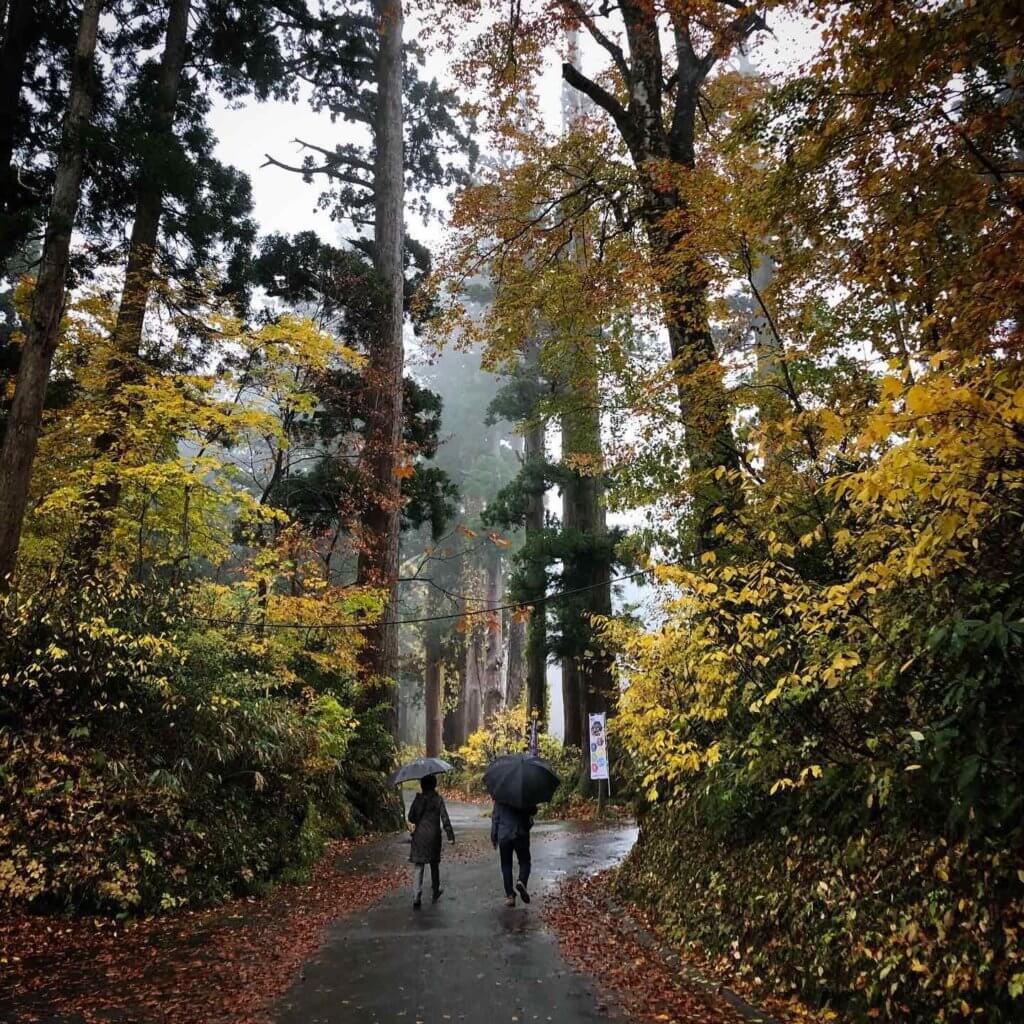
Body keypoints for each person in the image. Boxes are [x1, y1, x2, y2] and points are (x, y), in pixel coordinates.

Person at [408, 774, 455, 909]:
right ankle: (435, 889)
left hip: (420, 836)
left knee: (419, 865)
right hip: (434, 836)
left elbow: (411, 818)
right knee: (434, 864)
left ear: (422, 785)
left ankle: (416, 895)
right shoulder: (438, 799)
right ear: (434, 785)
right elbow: (445, 818)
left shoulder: (418, 799)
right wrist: (450, 835)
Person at [491, 800, 536, 907]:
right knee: (525, 861)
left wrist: (494, 836)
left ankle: (510, 896)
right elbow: (533, 810)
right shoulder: (524, 794)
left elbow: (495, 817)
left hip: (504, 834)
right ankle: (522, 881)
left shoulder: (500, 796)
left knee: (506, 865)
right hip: (520, 833)